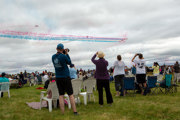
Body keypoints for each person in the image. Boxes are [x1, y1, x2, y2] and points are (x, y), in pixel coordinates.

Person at [52, 43, 78, 115]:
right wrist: (66, 54)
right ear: (63, 49)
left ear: (56, 49)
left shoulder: (53, 57)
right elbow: (70, 63)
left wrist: (64, 53)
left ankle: (62, 113)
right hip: (66, 77)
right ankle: (75, 112)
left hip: (58, 77)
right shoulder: (64, 56)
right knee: (70, 94)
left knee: (61, 95)